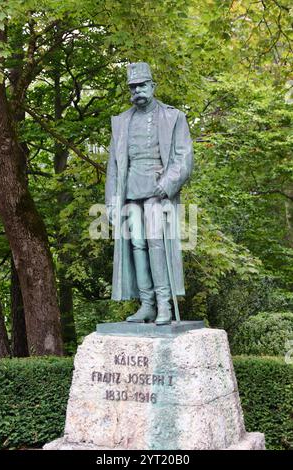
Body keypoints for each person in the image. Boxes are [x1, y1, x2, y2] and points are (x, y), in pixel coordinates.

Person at [105, 62, 193, 325]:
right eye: (133, 87)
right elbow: (113, 166)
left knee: (156, 245)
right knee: (137, 246)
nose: (137, 90)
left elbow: (184, 157)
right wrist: (111, 202)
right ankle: (146, 305)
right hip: (130, 192)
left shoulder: (173, 117)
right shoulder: (121, 122)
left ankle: (164, 304)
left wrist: (167, 183)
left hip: (158, 192)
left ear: (152, 86)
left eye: (142, 85)